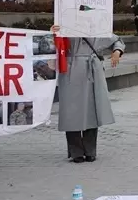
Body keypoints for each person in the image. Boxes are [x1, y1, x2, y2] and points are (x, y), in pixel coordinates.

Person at [50, 25, 125, 163]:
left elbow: (117, 40)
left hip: (92, 70)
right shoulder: (65, 25)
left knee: (92, 109)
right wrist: (53, 33)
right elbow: (52, 44)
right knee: (71, 112)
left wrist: (117, 51)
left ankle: (90, 150)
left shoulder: (97, 27)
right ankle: (75, 151)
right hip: (70, 69)